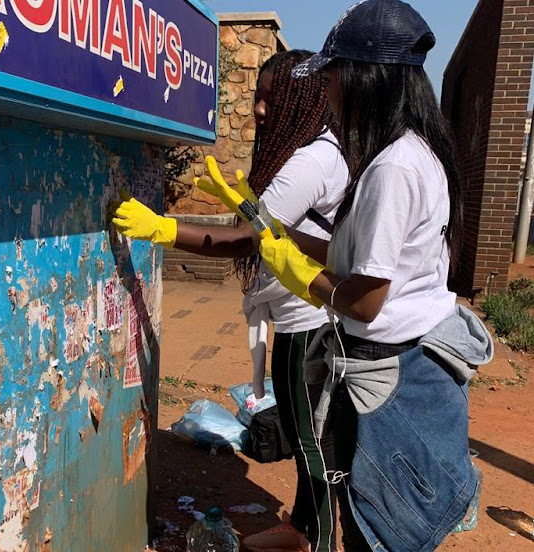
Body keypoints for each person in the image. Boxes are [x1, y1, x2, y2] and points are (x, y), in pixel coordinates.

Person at [252, 1, 493, 551]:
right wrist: (285, 238)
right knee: (371, 514)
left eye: (333, 78)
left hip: (396, 376)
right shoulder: (406, 153)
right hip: (399, 365)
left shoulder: (394, 168)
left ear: (367, 78)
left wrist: (298, 276)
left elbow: (363, 301)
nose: (328, 93)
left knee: (379, 527)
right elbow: (356, 256)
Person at [112, 50, 349, 552]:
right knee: (313, 439)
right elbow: (278, 225)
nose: (259, 110)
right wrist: (241, 200)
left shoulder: (311, 161)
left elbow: (247, 239)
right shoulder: (323, 149)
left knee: (315, 446)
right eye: (257, 97)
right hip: (307, 319)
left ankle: (319, 540)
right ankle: (301, 529)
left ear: (301, 98)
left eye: (270, 98)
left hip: (308, 327)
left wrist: (164, 228)